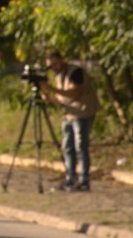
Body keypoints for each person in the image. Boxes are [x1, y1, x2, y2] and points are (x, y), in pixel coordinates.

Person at [42, 51, 101, 191]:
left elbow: (74, 92)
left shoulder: (75, 72)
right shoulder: (59, 76)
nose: (54, 68)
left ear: (62, 60)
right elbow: (63, 98)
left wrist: (51, 88)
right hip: (69, 114)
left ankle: (84, 180)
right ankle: (70, 178)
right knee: (67, 147)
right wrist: (49, 98)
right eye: (51, 66)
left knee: (81, 146)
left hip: (82, 112)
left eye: (55, 64)